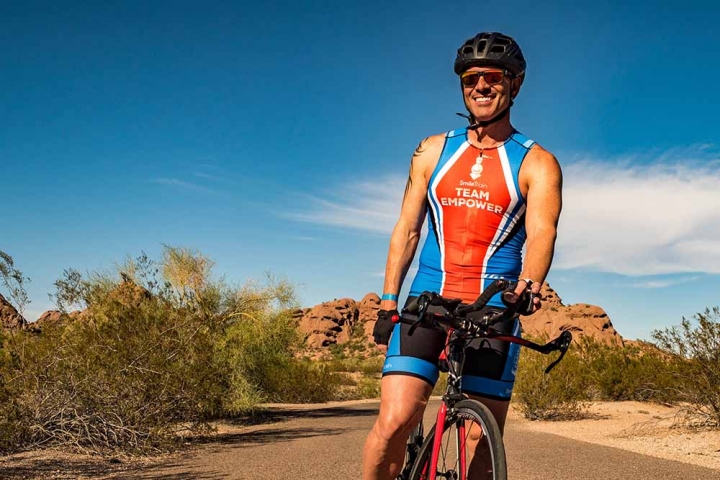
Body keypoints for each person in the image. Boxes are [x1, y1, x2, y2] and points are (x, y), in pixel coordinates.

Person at [362, 31, 563, 479]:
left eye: (494, 77)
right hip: (427, 300)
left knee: (480, 436)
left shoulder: (538, 163)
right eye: (472, 78)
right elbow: (408, 228)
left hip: (493, 306)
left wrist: (529, 285)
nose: (481, 86)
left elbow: (542, 233)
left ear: (516, 84)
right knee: (396, 420)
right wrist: (388, 301)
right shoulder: (432, 150)